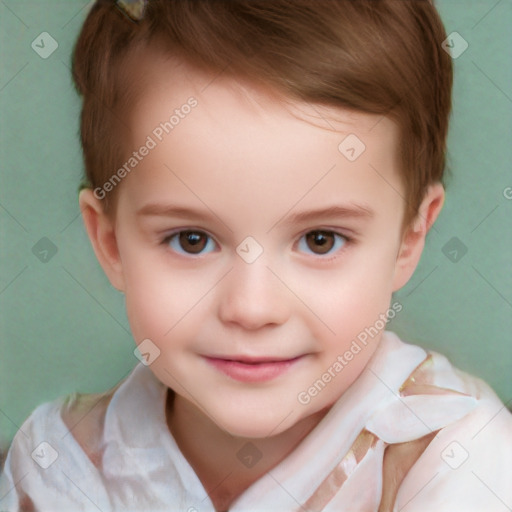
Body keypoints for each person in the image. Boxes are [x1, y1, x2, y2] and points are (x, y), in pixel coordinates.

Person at [1, 0, 511, 510]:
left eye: (320, 240)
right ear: (110, 242)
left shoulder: (458, 459)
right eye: (192, 240)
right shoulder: (59, 466)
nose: (252, 308)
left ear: (408, 238)